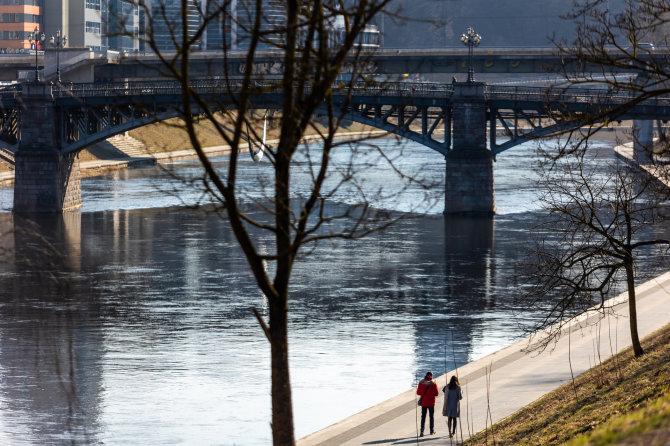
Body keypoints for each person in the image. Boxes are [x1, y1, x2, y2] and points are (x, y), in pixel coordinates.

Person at [416, 371, 439, 436]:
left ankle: (422, 431)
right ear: (431, 376)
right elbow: (436, 393)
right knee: (431, 417)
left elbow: (418, 392)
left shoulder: (421, 383)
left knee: (423, 417)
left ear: (426, 375)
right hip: (431, 403)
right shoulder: (434, 384)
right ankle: (431, 431)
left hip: (424, 403)